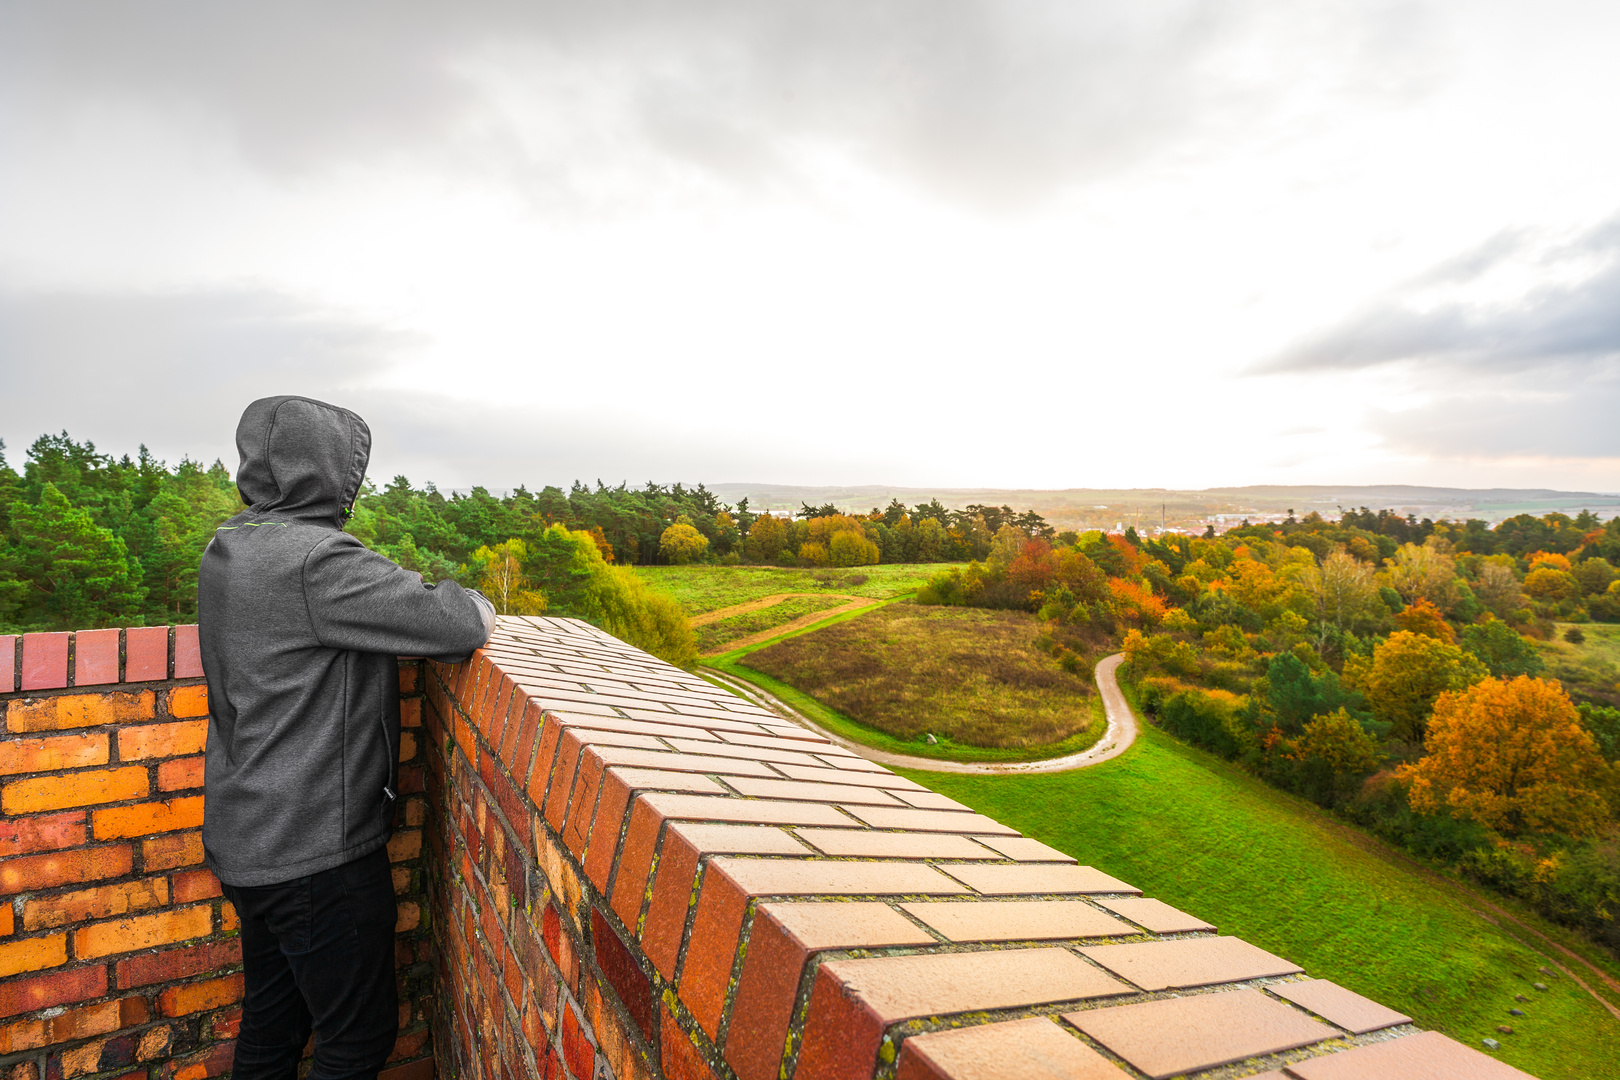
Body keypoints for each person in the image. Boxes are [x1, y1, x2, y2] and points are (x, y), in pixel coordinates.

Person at [199, 396, 493, 1080]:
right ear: (329, 471)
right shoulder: (314, 561)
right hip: (312, 853)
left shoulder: (229, 547)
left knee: (274, 1025)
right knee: (356, 1039)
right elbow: (454, 624)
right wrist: (478, 599)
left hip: (246, 837)